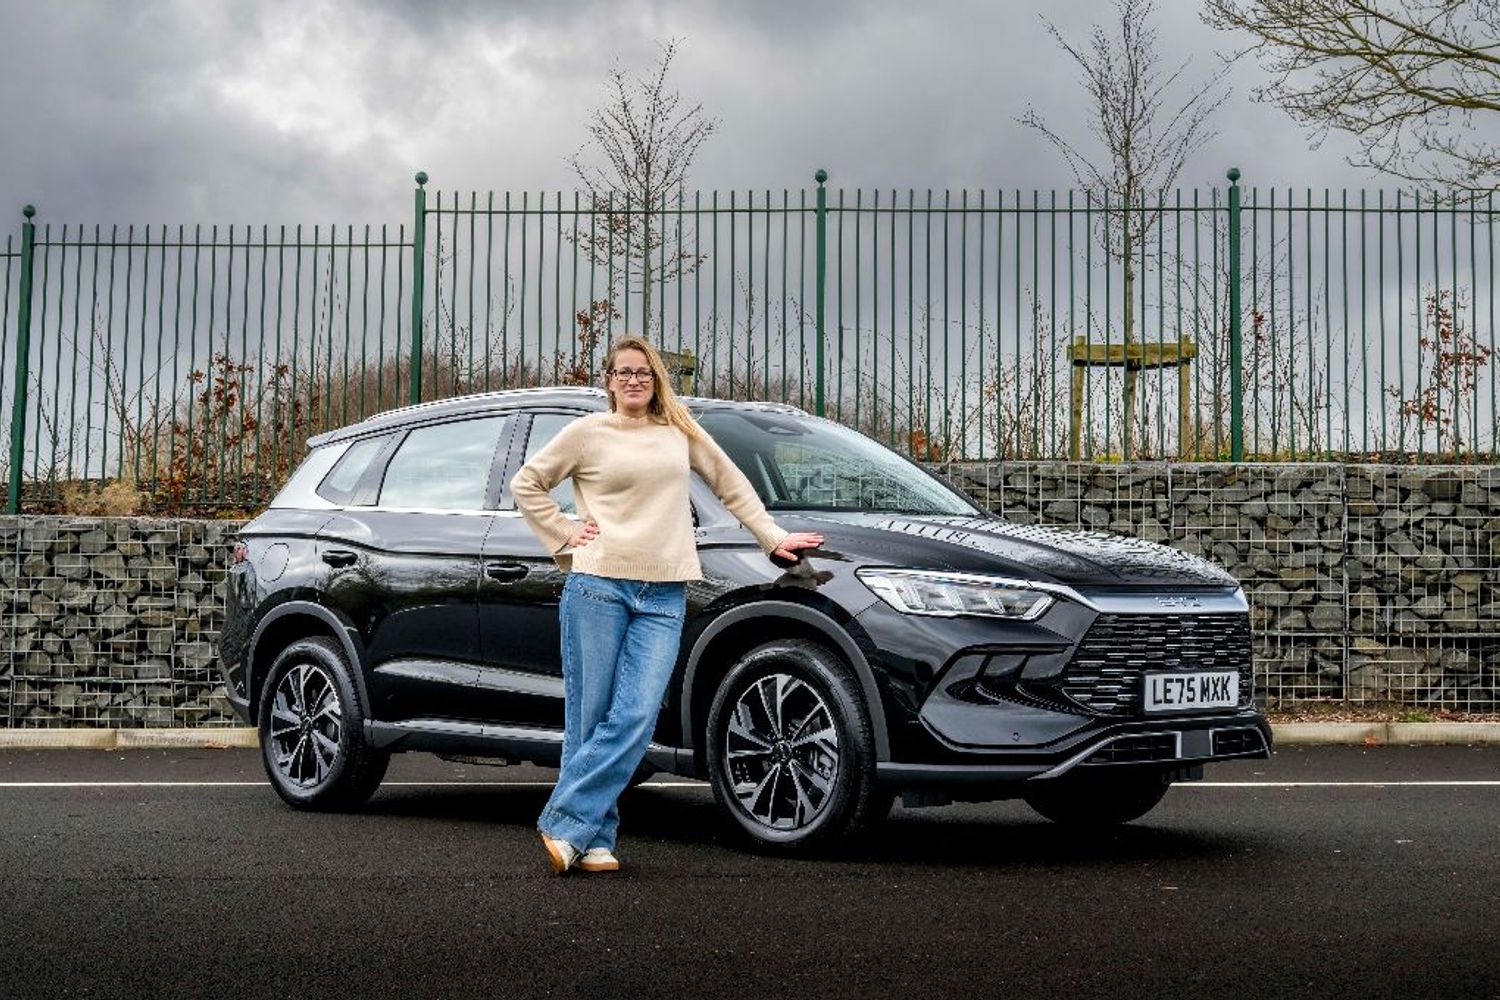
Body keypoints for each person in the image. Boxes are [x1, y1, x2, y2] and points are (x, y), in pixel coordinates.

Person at [510, 335, 824, 874]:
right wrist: (563, 531)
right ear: (609, 381)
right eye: (624, 372)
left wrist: (771, 537)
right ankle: (594, 839)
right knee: (591, 718)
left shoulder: (679, 432)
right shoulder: (587, 433)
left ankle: (564, 821)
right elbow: (527, 483)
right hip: (598, 585)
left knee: (635, 716)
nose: (634, 380)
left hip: (663, 592)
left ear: (656, 380)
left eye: (644, 372)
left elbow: (730, 482)